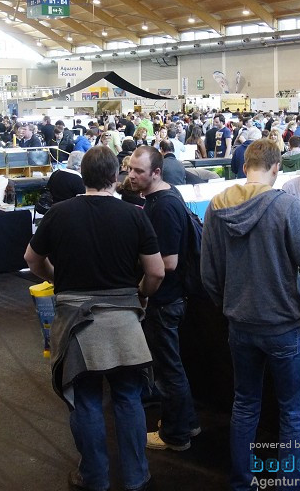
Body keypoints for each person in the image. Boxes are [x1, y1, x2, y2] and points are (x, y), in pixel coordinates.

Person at [24, 145, 162, 491]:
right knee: (128, 398)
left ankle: (95, 477)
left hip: (76, 325)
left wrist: (59, 280)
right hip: (124, 322)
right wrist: (141, 292)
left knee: (85, 400)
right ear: (115, 177)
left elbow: (32, 259)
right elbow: (157, 272)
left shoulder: (58, 214)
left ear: (82, 176)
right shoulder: (134, 215)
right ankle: (135, 476)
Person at [201, 139, 300, 491]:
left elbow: (208, 273)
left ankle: (241, 483)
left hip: (240, 326)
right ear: (276, 169)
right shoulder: (286, 207)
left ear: (245, 167)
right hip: (285, 326)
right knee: (292, 416)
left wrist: (229, 306)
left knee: (244, 407)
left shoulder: (216, 206)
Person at [126, 146, 201, 453]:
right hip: (171, 297)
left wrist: (143, 291)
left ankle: (175, 434)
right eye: (130, 169)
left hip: (166, 300)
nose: (131, 176)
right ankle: (187, 422)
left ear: (156, 173)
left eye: (138, 171)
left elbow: (167, 264)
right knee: (172, 367)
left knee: (169, 370)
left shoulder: (163, 207)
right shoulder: (164, 199)